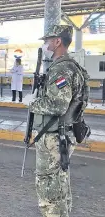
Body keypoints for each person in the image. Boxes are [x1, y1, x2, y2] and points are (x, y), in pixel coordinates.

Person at [25, 25, 89, 217]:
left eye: (48, 40)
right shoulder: (73, 66)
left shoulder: (61, 69)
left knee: (48, 188)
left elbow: (58, 105)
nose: (46, 44)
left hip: (54, 136)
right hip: (63, 134)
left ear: (58, 41)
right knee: (60, 184)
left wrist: (32, 103)